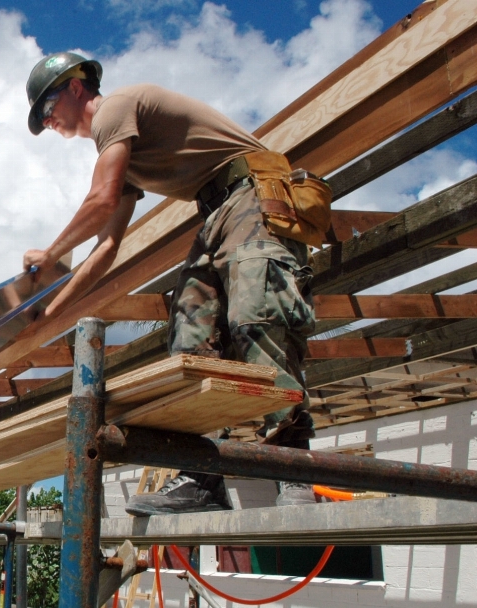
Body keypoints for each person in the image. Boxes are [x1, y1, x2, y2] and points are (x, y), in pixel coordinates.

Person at [23, 52, 328, 514]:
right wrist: (52, 311)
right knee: (190, 333)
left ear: (75, 87)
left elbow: (101, 199)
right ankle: (203, 479)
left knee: (257, 315)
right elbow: (106, 249)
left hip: (252, 196)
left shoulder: (115, 109)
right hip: (215, 211)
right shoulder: (116, 145)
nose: (49, 124)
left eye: (46, 110)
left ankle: (294, 471)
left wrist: (48, 255)